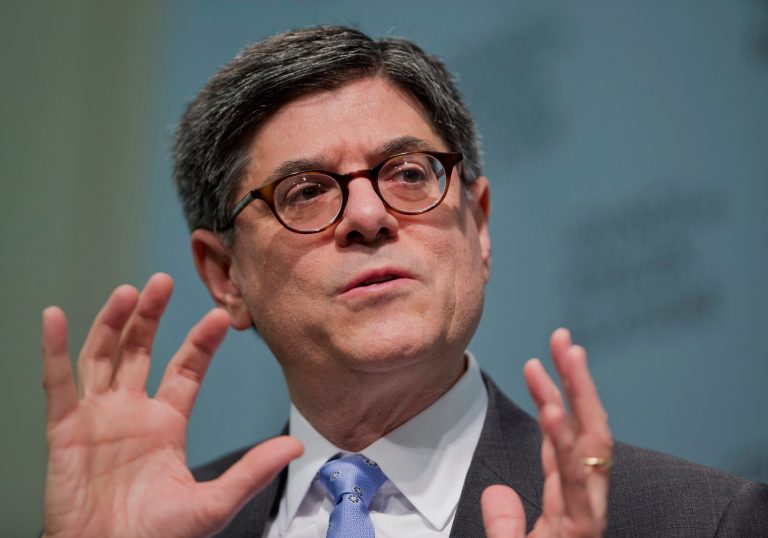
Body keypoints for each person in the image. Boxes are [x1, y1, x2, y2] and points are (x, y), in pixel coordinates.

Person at [41, 26, 767, 538]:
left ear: (478, 227)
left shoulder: (698, 521)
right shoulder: (161, 528)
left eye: (410, 174)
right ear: (226, 275)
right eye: (305, 192)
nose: (368, 214)